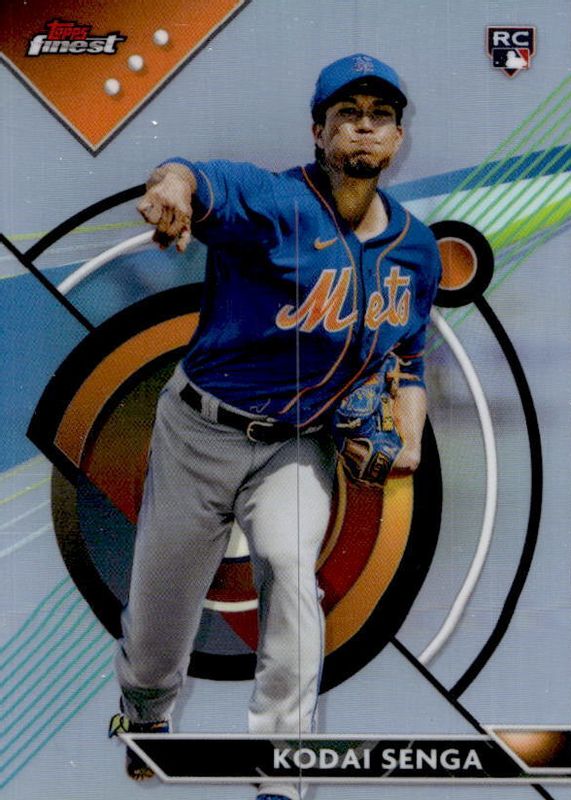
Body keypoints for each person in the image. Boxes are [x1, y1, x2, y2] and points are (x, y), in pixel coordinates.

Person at [108, 53, 441, 800]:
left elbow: (409, 357)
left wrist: (411, 438)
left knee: (291, 573)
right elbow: (198, 177)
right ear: (318, 131)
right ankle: (145, 713)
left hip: (296, 445)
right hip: (201, 432)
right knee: (161, 613)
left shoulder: (416, 250)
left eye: (380, 114)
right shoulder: (275, 201)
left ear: (397, 137)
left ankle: (283, 772)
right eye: (347, 112)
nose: (364, 124)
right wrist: (172, 188)